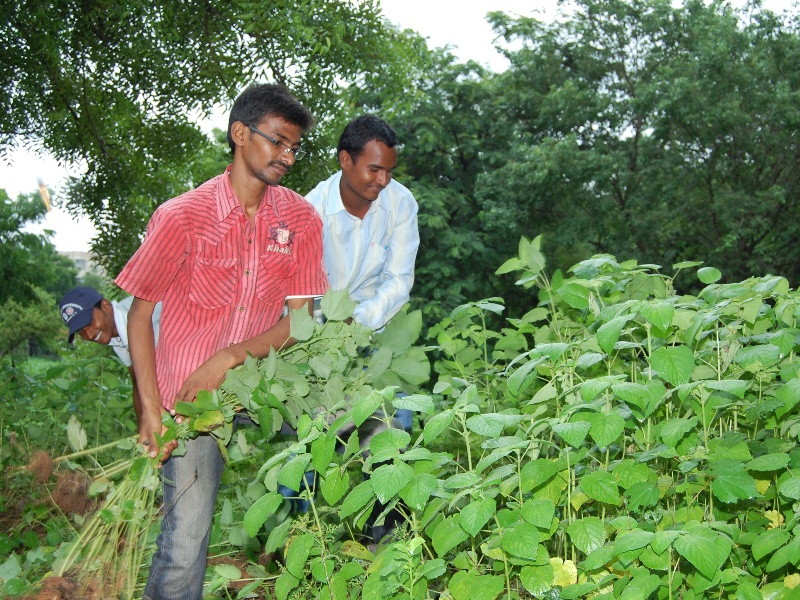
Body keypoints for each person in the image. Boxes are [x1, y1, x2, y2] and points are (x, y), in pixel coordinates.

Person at [114, 84, 328, 600]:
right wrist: (150, 410)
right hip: (190, 399)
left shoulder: (300, 220)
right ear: (239, 134)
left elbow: (300, 324)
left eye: (294, 148)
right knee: (186, 539)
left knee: (365, 422)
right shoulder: (181, 216)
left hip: (263, 380)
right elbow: (139, 317)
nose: (287, 157)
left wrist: (232, 355)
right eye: (277, 142)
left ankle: (337, 542)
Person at [305, 114, 419, 332]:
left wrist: (357, 323)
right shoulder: (311, 210)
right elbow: (305, 292)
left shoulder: (401, 203)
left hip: (376, 324)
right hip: (319, 329)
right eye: (374, 170)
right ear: (346, 160)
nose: (383, 181)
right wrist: (333, 328)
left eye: (389, 171)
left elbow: (399, 280)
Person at [58, 286, 162, 441]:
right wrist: (142, 431)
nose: (88, 334)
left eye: (90, 322)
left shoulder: (134, 321)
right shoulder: (116, 337)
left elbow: (163, 377)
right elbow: (137, 382)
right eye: (80, 331)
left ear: (105, 306)